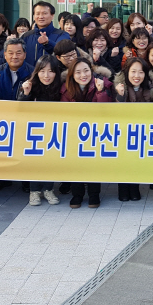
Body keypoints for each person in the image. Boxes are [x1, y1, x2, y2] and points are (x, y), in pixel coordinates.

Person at [61, 58, 113, 209]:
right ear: (71, 75)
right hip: (74, 133)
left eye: (86, 71)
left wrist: (101, 91)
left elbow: (105, 109)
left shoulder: (103, 84)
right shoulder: (65, 89)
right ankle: (77, 194)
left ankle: (94, 194)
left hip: (95, 132)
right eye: (78, 72)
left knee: (93, 164)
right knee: (76, 164)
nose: (83, 75)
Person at [114, 57, 153, 202]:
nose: (137, 76)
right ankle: (123, 189)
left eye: (141, 72)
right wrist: (120, 95)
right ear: (126, 72)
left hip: (142, 132)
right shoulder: (119, 86)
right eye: (133, 72)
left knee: (135, 160)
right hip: (123, 131)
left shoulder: (150, 87)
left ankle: (134, 188)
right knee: (123, 161)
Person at [18, 55, 62, 206]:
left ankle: (48, 189)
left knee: (50, 161)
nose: (46, 75)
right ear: (37, 71)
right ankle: (34, 191)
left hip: (54, 131)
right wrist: (26, 94)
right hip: (34, 133)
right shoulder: (29, 85)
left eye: (51, 71)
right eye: (42, 71)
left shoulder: (61, 87)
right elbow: (19, 110)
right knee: (35, 161)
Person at [21, 1, 70, 66]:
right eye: (37, 14)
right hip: (30, 75)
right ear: (34, 16)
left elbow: (63, 52)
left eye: (44, 13)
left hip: (53, 74)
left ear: (52, 16)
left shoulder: (62, 34)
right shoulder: (26, 36)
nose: (41, 17)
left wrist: (47, 43)